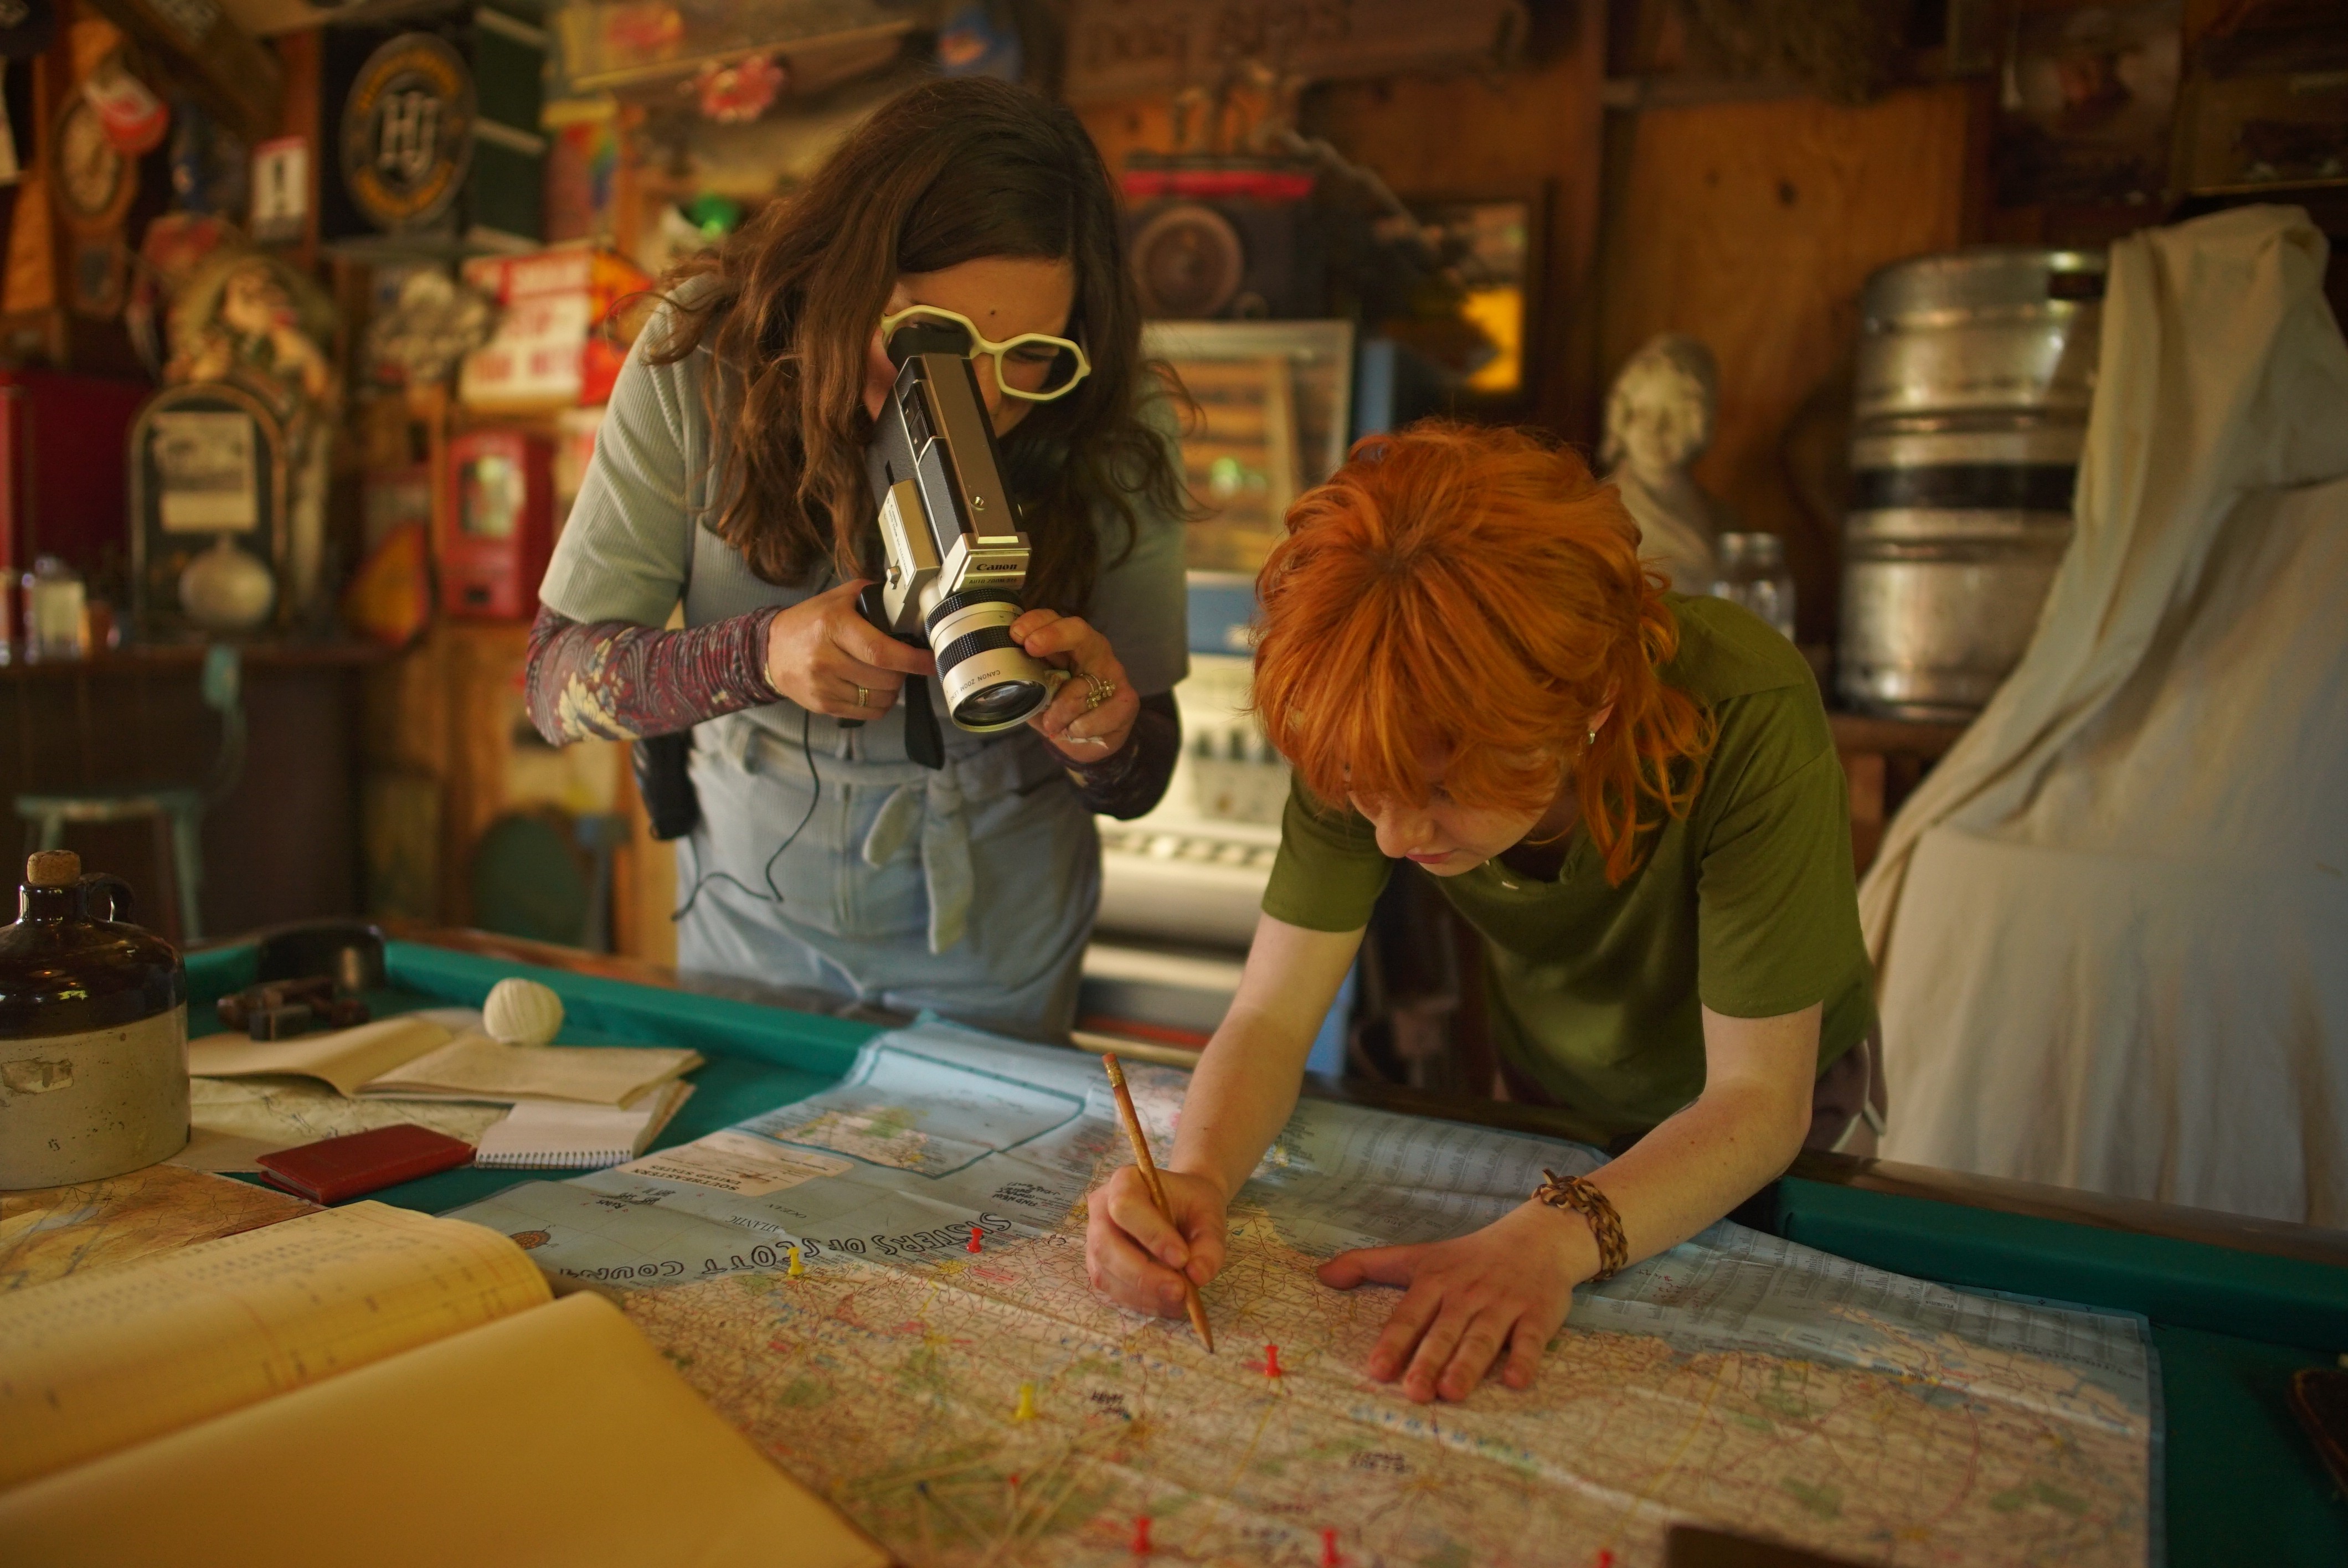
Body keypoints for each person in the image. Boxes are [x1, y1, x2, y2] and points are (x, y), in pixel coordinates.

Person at [1085, 422, 1878, 1402]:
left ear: (1583, 702)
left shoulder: (1746, 709)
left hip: (1776, 1111)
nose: (1389, 835)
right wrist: (1196, 1177)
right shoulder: (1367, 718)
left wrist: (1548, 1241)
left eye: (1442, 788)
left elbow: (1758, 1104)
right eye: (1361, 793)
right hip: (1553, 1089)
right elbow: (1271, 1017)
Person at [526, 78, 1191, 1039]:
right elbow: (553, 683)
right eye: (935, 344)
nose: (988, 406)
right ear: (842, 276)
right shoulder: (706, 360)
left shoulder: (1113, 418)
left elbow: (1147, 773)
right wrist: (758, 656)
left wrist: (1105, 736)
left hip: (995, 932)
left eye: (1031, 358)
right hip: (749, 916)